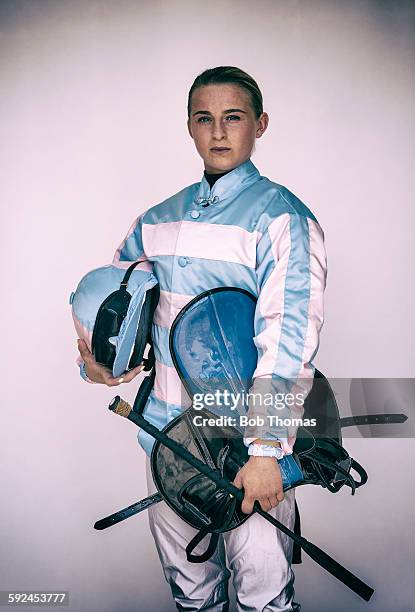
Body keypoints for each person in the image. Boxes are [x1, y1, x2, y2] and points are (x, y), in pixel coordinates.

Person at [76, 66, 327, 612]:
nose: (218, 132)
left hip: (246, 453)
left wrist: (265, 451)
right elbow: (110, 304)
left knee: (264, 599)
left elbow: (288, 340)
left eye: (233, 118)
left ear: (259, 125)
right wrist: (95, 363)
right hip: (167, 442)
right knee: (191, 596)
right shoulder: (156, 219)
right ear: (189, 127)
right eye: (204, 119)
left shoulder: (282, 218)